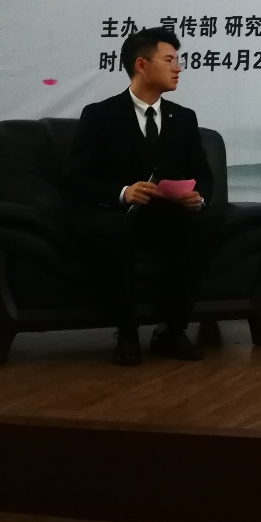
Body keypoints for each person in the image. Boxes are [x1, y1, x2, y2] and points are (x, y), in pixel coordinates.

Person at [68, 27, 217, 366]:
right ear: (141, 65)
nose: (178, 68)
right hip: (116, 215)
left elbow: (204, 176)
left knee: (199, 226)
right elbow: (75, 178)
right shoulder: (100, 115)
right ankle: (128, 333)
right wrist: (123, 192)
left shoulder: (184, 118)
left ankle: (172, 331)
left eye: (178, 61)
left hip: (166, 214)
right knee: (115, 230)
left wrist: (197, 197)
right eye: (169, 60)